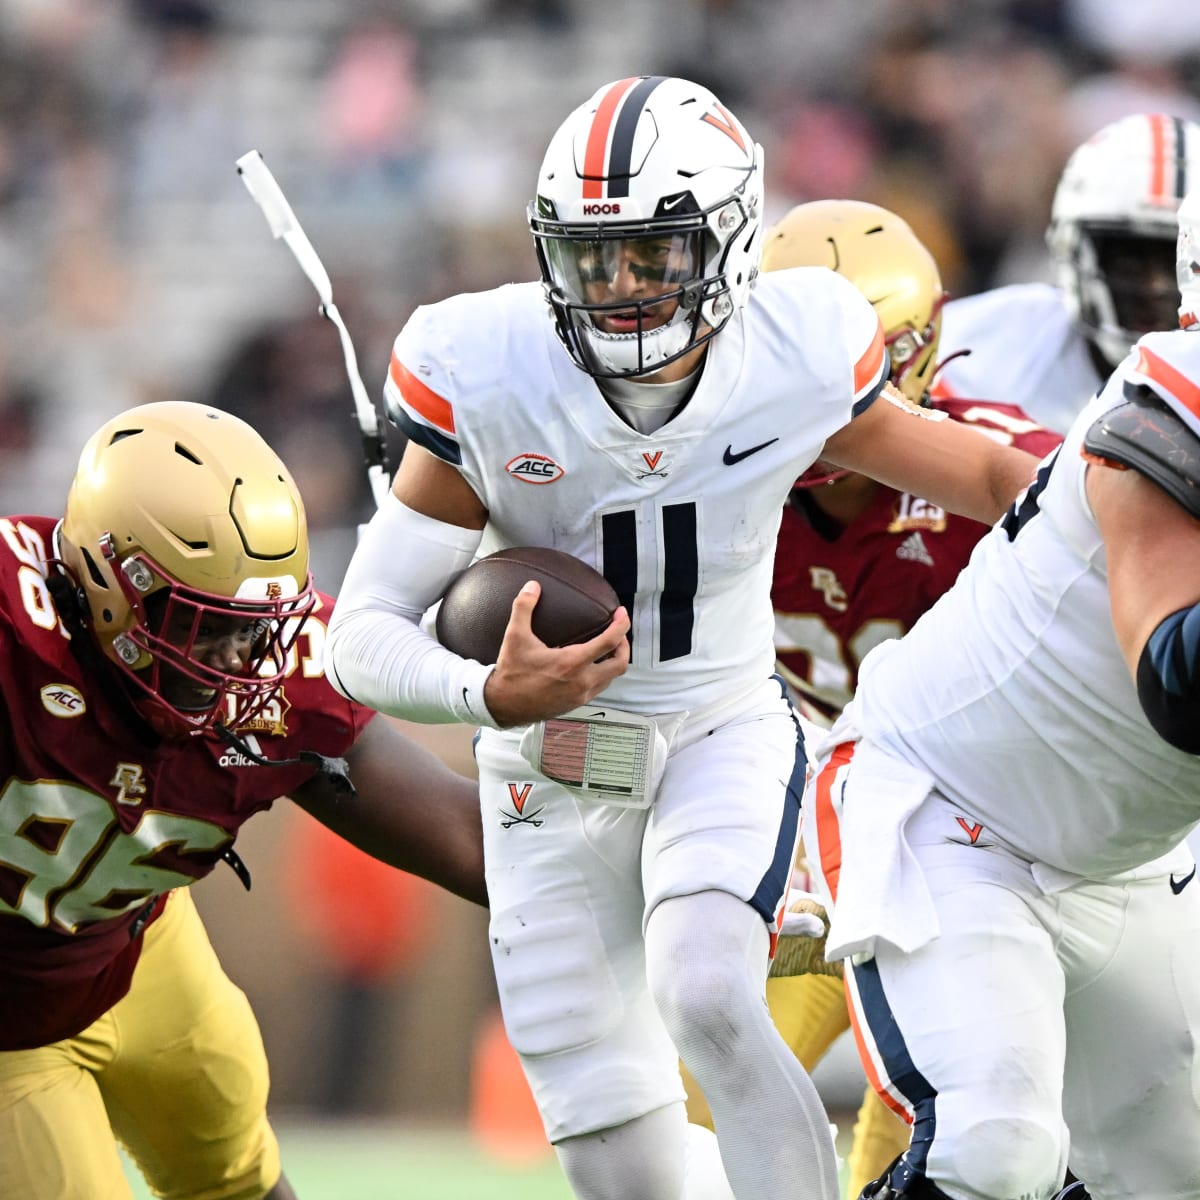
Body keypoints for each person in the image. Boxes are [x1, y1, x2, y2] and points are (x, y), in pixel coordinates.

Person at [325, 75, 1038, 1200]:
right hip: (547, 766)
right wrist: (484, 696)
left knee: (707, 985)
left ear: (731, 240)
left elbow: (997, 474)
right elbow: (358, 632)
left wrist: (1130, 527)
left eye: (652, 255)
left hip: (717, 724)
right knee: (617, 1150)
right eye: (592, 259)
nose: (617, 291)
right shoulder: (489, 369)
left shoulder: (795, 352)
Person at [800, 191, 1200, 1199]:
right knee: (995, 1149)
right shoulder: (1165, 407)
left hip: (1127, 860)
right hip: (954, 810)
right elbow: (1179, 677)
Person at [0, 400, 487, 1200]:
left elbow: (470, 843)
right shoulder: (14, 638)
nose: (238, 662)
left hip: (140, 947)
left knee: (243, 1176)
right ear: (112, 588)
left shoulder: (278, 672)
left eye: (253, 628)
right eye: (202, 627)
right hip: (11, 1020)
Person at [678, 199, 1061, 1196]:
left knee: (925, 1116)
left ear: (916, 358)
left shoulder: (1003, 467)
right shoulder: (708, 473)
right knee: (688, 1093)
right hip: (795, 807)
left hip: (956, 830)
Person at [933, 111, 1200, 435]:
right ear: (1069, 247)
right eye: (1128, 259)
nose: (1154, 287)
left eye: (1179, 262)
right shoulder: (976, 348)